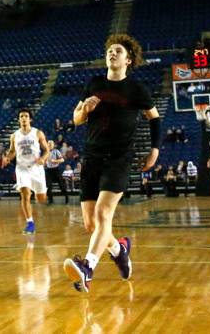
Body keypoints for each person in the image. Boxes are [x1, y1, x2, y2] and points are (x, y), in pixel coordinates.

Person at [63, 34, 161, 292]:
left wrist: (154, 150)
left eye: (118, 51)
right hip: (92, 157)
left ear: (128, 60)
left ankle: (87, 267)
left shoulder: (136, 90)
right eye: (110, 50)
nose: (112, 53)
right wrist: (85, 110)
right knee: (91, 224)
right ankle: (119, 250)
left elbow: (154, 117)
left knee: (103, 213)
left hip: (119, 158)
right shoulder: (94, 83)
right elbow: (76, 119)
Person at [3, 109, 49, 234]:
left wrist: (43, 158)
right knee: (25, 194)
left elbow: (47, 150)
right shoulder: (14, 135)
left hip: (36, 168)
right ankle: (30, 223)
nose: (23, 118)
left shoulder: (37, 133)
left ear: (30, 119)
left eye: (26, 116)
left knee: (41, 198)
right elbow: (12, 151)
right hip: (22, 168)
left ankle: (36, 191)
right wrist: (7, 158)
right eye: (21, 116)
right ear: (19, 119)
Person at [44, 138, 69, 205]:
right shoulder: (46, 152)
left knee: (61, 185)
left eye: (51, 144)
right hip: (49, 171)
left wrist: (54, 161)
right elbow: (44, 161)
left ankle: (66, 197)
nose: (50, 145)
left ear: (53, 145)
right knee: (48, 186)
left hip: (56, 170)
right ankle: (50, 200)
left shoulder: (56, 151)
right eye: (49, 144)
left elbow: (62, 160)